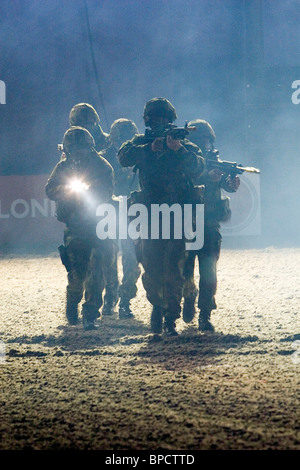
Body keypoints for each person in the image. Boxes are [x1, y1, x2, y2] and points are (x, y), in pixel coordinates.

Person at [118, 98, 204, 336]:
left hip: (177, 214)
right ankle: (158, 305)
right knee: (152, 267)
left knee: (174, 266)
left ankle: (170, 317)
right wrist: (150, 148)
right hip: (150, 215)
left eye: (163, 120)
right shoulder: (142, 143)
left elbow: (198, 167)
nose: (159, 123)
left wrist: (179, 149)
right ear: (147, 121)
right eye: (155, 120)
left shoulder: (182, 143)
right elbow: (123, 156)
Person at [46, 126, 117, 330]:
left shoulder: (102, 166)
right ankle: (72, 301)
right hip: (75, 228)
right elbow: (50, 189)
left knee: (98, 270)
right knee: (78, 275)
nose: (78, 153)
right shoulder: (63, 167)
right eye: (73, 149)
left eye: (81, 149)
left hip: (98, 224)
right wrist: (68, 191)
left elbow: (106, 193)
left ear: (89, 147)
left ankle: (90, 314)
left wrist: (88, 192)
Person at [182, 119, 240, 332]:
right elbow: (181, 181)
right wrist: (206, 176)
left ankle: (205, 314)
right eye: (201, 141)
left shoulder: (214, 161)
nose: (206, 145)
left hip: (209, 225)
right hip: (188, 224)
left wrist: (230, 184)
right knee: (185, 273)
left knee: (209, 273)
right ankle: (189, 298)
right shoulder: (184, 161)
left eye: (208, 141)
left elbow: (224, 182)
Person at [68, 103, 119, 316]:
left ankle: (111, 298)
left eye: (88, 121)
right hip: (84, 210)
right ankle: (94, 302)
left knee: (109, 256)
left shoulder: (109, 142)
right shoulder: (73, 143)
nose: (85, 126)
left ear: (95, 121)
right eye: (81, 123)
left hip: (107, 202)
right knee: (89, 261)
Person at [100, 118, 141, 318]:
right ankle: (110, 298)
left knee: (132, 260)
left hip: (133, 212)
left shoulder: (140, 155)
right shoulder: (102, 159)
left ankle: (124, 301)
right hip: (109, 213)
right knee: (107, 258)